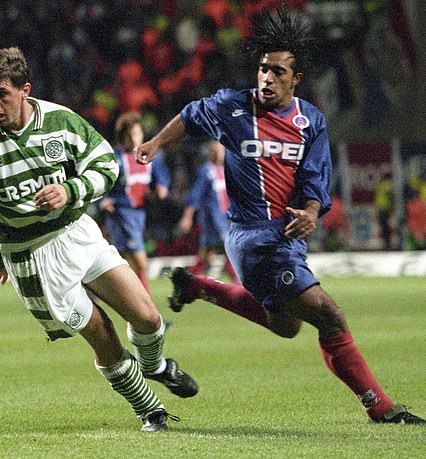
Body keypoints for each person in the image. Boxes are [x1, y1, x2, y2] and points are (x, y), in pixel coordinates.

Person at [135, 6, 423, 424]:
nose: (267, 78)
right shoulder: (233, 108)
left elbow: (315, 178)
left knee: (285, 325)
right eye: (262, 69)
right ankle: (381, 408)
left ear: (296, 79)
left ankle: (198, 286)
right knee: (328, 313)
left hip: (287, 236)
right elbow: (190, 114)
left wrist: (310, 211)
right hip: (252, 237)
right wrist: (156, 143)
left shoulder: (310, 121)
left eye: (277, 72)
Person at [0, 47, 197, 432]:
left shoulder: (60, 121)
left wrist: (70, 190)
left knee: (149, 318)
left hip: (76, 233)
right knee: (105, 338)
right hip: (32, 259)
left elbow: (107, 165)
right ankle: (149, 410)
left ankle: (156, 366)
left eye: (1, 94)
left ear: (24, 90)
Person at [97, 111, 170, 292]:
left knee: (125, 265)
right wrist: (104, 199)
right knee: (141, 263)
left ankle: (99, 295)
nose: (134, 138)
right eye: (130, 135)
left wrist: (161, 188)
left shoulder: (151, 157)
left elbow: (161, 180)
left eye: (137, 134)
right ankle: (149, 312)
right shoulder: (115, 159)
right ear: (123, 137)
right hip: (121, 214)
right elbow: (101, 183)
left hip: (140, 215)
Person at [177, 139, 238, 281]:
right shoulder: (205, 170)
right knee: (229, 248)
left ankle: (187, 281)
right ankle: (238, 282)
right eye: (216, 151)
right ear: (211, 153)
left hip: (223, 218)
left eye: (222, 151)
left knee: (206, 254)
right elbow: (195, 195)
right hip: (212, 218)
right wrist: (187, 216)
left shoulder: (224, 171)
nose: (220, 154)